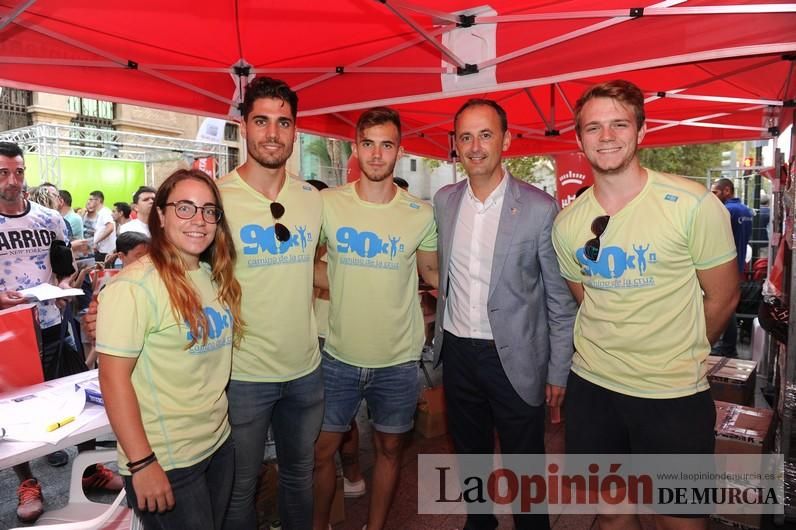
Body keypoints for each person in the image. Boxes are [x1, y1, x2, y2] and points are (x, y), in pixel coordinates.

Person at [551, 80, 739, 530]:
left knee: (680, 522)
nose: (607, 136)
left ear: (642, 130)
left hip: (672, 395)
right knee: (613, 516)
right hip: (593, 391)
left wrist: (678, 349)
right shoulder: (566, 224)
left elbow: (724, 296)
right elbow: (588, 299)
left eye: (619, 124)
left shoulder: (693, 204)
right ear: (579, 140)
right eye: (593, 127)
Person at [432, 99, 576, 530]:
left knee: (524, 459)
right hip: (457, 351)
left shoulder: (538, 207)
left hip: (515, 355)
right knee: (469, 452)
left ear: (506, 140)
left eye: (486, 134)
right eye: (465, 137)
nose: (475, 146)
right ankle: (480, 522)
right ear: (455, 145)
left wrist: (558, 370)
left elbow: (558, 299)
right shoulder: (443, 201)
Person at [312, 107, 438, 530]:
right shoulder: (327, 204)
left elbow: (432, 274)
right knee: (322, 452)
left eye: (387, 145)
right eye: (369, 144)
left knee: (389, 450)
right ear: (356, 148)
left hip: (398, 360)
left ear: (399, 151)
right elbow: (301, 262)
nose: (377, 154)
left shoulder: (421, 213)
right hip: (338, 355)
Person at [96, 169, 244, 530]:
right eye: (185, 208)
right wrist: (142, 463)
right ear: (160, 215)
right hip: (167, 458)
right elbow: (113, 381)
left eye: (209, 210)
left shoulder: (212, 275)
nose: (199, 220)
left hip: (217, 444)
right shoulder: (134, 287)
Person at [219, 77, 324, 530]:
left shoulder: (311, 199)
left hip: (305, 369)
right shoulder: (217, 198)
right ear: (244, 126)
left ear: (295, 131)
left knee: (299, 477)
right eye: (261, 121)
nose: (273, 133)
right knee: (241, 486)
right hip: (242, 374)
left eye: (284, 122)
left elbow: (319, 268)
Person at [0, 142, 121, 523]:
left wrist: (66, 287)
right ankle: (27, 480)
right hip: (8, 334)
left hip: (52, 324)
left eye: (18, 172)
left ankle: (89, 469)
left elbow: (63, 265)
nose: (13, 181)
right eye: (3, 173)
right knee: (14, 410)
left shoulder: (49, 219)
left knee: (76, 400)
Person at [710, 177, 754, 357]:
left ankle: (727, 346)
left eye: (715, 192)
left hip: (724, 267)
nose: (713, 196)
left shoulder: (726, 210)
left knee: (724, 307)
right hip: (737, 265)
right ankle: (727, 345)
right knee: (729, 306)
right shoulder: (746, 210)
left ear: (727, 190)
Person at [83, 190, 116, 262]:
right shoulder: (99, 213)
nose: (89, 201)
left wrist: (96, 241)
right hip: (100, 250)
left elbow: (110, 227)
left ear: (98, 201)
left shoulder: (105, 212)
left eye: (91, 199)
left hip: (106, 252)